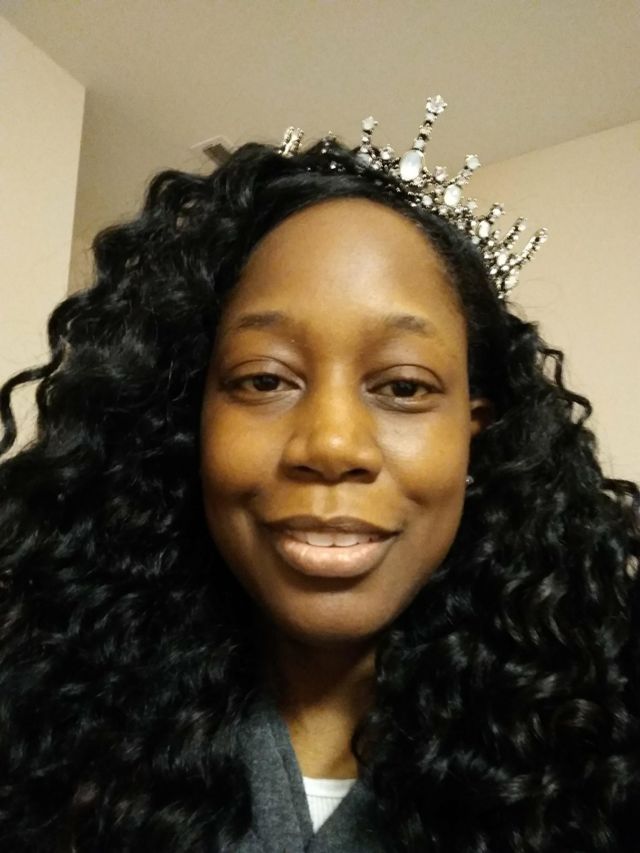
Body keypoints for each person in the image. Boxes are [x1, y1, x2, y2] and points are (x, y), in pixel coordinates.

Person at [0, 98, 638, 853]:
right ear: (189, 421)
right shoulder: (32, 723)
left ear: (477, 430)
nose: (332, 445)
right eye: (264, 379)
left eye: (404, 385)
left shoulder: (608, 750)